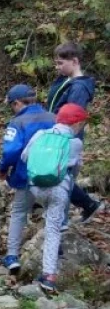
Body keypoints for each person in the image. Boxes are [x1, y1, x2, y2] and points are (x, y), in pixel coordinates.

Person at [21, 103, 88, 293]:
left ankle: (52, 229)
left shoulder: (40, 135)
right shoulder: (75, 143)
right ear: (76, 124)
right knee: (53, 229)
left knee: (49, 214)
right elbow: (76, 168)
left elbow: (25, 157)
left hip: (36, 188)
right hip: (58, 189)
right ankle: (49, 275)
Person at [0, 84, 55, 274]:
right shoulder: (53, 117)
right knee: (52, 214)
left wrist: (3, 169)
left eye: (11, 105)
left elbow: (11, 151)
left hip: (26, 175)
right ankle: (54, 255)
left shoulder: (18, 122)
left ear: (16, 103)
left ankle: (12, 256)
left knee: (19, 212)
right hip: (54, 174)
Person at [45, 42, 103, 226]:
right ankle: (88, 205)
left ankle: (62, 222)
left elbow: (72, 117)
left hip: (66, 138)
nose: (57, 67)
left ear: (75, 61)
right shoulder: (66, 80)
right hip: (57, 132)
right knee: (60, 175)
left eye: (60, 63)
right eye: (56, 63)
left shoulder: (78, 88)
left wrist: (59, 135)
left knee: (63, 176)